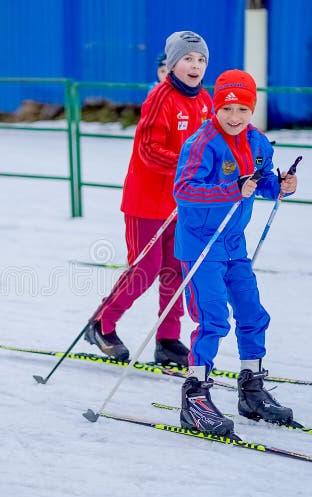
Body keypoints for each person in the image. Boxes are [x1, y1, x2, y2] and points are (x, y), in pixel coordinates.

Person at [173, 70, 298, 436]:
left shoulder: (258, 142)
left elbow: (262, 182)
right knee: (213, 319)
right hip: (201, 245)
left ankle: (252, 389)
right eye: (227, 107)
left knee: (252, 314)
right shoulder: (202, 143)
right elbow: (184, 190)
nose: (234, 116)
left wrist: (282, 186)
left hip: (233, 245)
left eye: (243, 108)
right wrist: (232, 188)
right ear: (216, 106)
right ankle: (195, 397)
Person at [85, 31, 212, 367]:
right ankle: (102, 323)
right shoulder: (160, 97)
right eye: (187, 58)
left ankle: (168, 339)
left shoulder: (205, 102)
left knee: (176, 269)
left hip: (181, 203)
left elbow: (215, 146)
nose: (194, 65)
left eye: (200, 60)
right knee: (145, 268)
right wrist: (188, 166)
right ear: (172, 63)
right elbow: (148, 150)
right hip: (147, 201)